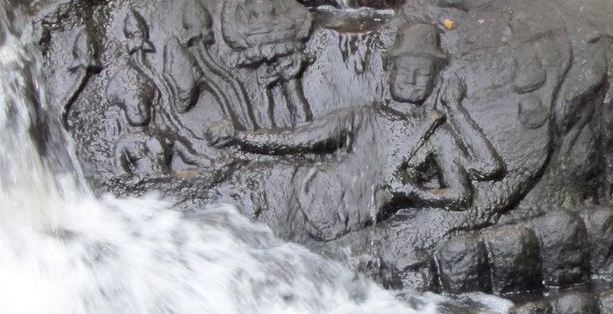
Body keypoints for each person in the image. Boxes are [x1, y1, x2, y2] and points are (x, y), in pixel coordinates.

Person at [208, 22, 504, 240]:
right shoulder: (361, 117)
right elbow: (299, 138)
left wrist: (418, 191)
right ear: (389, 71)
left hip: (347, 223)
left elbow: (464, 191)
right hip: (308, 194)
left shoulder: (435, 134)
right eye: (404, 71)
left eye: (423, 74)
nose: (411, 80)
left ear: (435, 80)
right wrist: (240, 136)